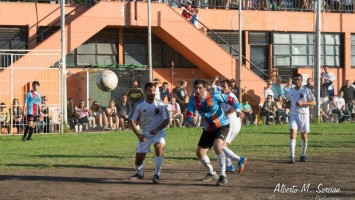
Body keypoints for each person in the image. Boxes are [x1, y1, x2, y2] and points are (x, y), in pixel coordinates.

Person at [186, 79, 241, 186]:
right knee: (200, 153)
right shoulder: (193, 99)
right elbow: (189, 112)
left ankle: (223, 175)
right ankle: (212, 173)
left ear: (205, 88)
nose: (197, 90)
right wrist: (190, 119)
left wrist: (238, 110)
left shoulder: (215, 95)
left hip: (222, 125)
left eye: (200, 88)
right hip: (208, 128)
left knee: (218, 146)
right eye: (195, 88)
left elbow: (232, 100)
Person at [128, 82, 170, 184]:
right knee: (138, 160)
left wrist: (157, 129)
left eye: (154, 90)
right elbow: (131, 120)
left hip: (159, 132)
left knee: (158, 146)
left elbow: (167, 120)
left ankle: (156, 175)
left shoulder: (160, 104)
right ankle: (140, 173)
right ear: (145, 91)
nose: (152, 93)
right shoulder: (139, 105)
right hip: (145, 134)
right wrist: (138, 135)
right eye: (149, 91)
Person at [219, 79, 247, 174]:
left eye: (224, 87)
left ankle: (240, 159)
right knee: (223, 145)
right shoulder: (222, 96)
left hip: (232, 124)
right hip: (228, 123)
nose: (222, 89)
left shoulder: (231, 96)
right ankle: (229, 166)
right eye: (221, 86)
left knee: (221, 146)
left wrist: (237, 111)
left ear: (230, 88)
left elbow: (234, 107)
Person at [285, 74, 315, 163]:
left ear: (302, 80)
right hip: (294, 115)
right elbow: (289, 101)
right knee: (292, 134)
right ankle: (292, 156)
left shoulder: (306, 90)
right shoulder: (291, 91)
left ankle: (303, 154)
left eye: (298, 79)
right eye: (295, 80)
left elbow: (314, 102)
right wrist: (285, 105)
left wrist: (303, 103)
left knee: (304, 135)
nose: (297, 81)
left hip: (304, 115)